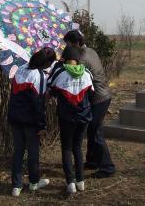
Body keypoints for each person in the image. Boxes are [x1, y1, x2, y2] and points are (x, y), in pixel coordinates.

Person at [63, 30, 116, 178]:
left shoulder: (81, 57)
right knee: (91, 129)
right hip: (103, 96)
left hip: (98, 99)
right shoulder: (90, 50)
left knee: (95, 132)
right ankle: (92, 161)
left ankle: (107, 167)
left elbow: (70, 74)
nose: (67, 47)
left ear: (76, 43)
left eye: (68, 44)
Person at [7, 47, 56, 197]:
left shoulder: (21, 69)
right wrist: (41, 125)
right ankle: (34, 183)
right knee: (33, 152)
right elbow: (38, 104)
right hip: (30, 121)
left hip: (15, 116)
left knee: (18, 152)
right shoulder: (39, 76)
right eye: (51, 63)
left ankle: (16, 185)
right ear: (46, 63)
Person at [48, 46, 94, 193]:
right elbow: (91, 93)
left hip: (66, 117)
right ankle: (80, 181)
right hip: (84, 116)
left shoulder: (60, 72)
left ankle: (70, 183)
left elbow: (51, 89)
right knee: (78, 148)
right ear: (78, 58)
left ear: (64, 58)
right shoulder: (87, 73)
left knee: (67, 148)